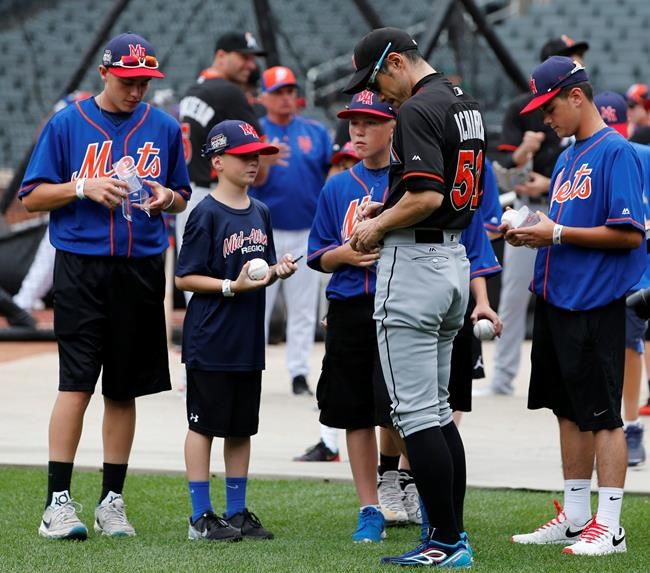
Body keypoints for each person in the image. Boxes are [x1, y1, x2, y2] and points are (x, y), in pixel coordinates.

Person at [19, 32, 190, 540]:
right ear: (104, 73)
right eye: (128, 80)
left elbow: (180, 193)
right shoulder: (68, 123)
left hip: (139, 267)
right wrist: (81, 186)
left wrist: (165, 197)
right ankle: (57, 503)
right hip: (81, 265)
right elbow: (31, 197)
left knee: (124, 387)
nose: (136, 90)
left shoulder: (161, 126)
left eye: (144, 82)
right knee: (76, 383)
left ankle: (111, 502)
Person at [344, 27, 486, 568]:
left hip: (417, 263)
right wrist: (387, 209)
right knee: (439, 412)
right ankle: (454, 536)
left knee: (415, 414)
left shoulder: (416, 110)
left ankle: (445, 543)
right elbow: (438, 190)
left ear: (397, 61)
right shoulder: (463, 101)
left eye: (376, 78)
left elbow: (426, 195)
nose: (376, 94)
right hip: (453, 258)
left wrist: (374, 230)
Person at [508, 57, 645, 557]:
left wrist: (558, 232)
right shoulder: (568, 156)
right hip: (557, 297)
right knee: (567, 411)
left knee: (605, 416)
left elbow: (630, 235)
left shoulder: (617, 152)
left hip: (598, 301)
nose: (545, 118)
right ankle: (577, 516)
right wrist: (534, 233)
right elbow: (565, 229)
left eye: (549, 106)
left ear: (577, 96)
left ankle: (610, 525)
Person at [175, 119, 297, 542]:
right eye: (244, 156)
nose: (253, 162)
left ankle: (236, 511)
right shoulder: (205, 213)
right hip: (210, 337)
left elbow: (258, 274)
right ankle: (200, 516)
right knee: (204, 425)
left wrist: (277, 272)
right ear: (218, 161)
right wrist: (231, 286)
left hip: (247, 337)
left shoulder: (260, 211)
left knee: (242, 426)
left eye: (257, 155)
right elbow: (184, 278)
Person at [306, 90, 396, 542]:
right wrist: (343, 253)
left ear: (393, 126)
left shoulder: (410, 182)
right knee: (355, 413)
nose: (358, 130)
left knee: (400, 411)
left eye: (370, 122)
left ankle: (401, 484)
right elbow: (316, 257)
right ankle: (370, 507)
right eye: (353, 122)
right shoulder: (338, 186)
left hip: (400, 307)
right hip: (349, 308)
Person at [481, 35, 588, 397]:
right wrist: (524, 157)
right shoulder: (522, 109)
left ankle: (569, 374)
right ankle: (503, 378)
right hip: (531, 208)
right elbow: (502, 175)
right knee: (513, 295)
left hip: (570, 209)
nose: (579, 63)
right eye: (572, 58)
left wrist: (550, 179)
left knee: (570, 290)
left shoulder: (583, 109)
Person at [249, 66, 332, 396]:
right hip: (263, 232)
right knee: (258, 305)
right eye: (278, 92)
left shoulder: (315, 132)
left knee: (303, 308)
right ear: (264, 97)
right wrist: (263, 164)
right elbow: (250, 182)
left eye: (289, 91)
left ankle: (299, 373)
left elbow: (332, 175)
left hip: (305, 231)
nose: (286, 98)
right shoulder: (256, 134)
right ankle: (250, 367)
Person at [177, 31, 268, 271]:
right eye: (244, 57)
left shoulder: (191, 90)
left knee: (195, 285)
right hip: (218, 201)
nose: (251, 64)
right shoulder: (228, 92)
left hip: (189, 198)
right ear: (221, 55)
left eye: (252, 58)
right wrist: (270, 160)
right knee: (229, 286)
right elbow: (261, 169)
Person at [594, 91, 649, 467]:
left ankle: (631, 425)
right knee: (620, 348)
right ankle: (621, 426)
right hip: (610, 270)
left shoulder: (640, 154)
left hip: (641, 263)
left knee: (635, 345)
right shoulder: (583, 158)